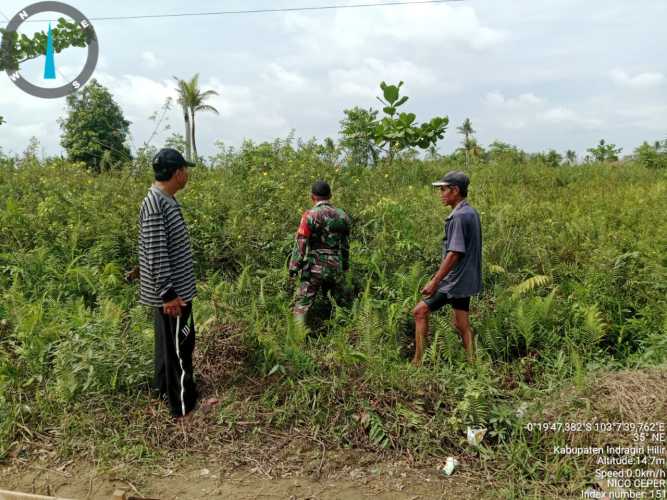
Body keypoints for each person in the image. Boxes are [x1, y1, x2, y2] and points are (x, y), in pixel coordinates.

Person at [138, 148, 198, 419]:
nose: (186, 174)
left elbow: (157, 248)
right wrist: (168, 294)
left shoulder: (166, 200)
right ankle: (182, 405)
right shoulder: (155, 204)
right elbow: (156, 251)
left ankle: (164, 392)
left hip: (176, 292)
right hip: (174, 296)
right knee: (180, 348)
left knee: (169, 347)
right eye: (185, 170)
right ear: (176, 173)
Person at [412, 171, 482, 366]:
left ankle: (417, 362)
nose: (441, 194)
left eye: (443, 189)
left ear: (455, 190)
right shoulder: (471, 212)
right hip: (467, 279)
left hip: (454, 281)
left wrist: (435, 281)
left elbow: (454, 253)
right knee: (461, 324)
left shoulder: (458, 217)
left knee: (419, 312)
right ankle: (473, 363)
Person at [289, 180, 351, 322]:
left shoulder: (309, 215)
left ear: (312, 197)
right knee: (338, 306)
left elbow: (301, 243)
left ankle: (297, 338)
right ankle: (341, 337)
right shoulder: (343, 216)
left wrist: (294, 268)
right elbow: (346, 245)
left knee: (302, 305)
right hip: (336, 266)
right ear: (330, 195)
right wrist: (345, 266)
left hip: (314, 268)